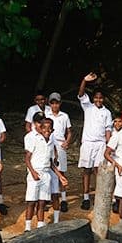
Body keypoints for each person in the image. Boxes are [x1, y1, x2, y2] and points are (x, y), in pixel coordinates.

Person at [76, 72, 113, 211]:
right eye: (96, 98)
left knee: (99, 170)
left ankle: (99, 197)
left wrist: (109, 145)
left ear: (103, 99)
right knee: (86, 170)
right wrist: (84, 80)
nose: (98, 100)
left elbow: (108, 130)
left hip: (100, 144)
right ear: (93, 98)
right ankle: (86, 197)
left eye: (100, 98)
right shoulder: (88, 107)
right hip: (87, 143)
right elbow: (80, 94)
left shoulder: (107, 112)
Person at [23, 114, 67, 231]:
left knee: (42, 202)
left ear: (52, 130)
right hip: (35, 173)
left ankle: (40, 224)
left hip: (46, 174)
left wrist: (60, 177)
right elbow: (27, 158)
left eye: (49, 128)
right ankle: (27, 226)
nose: (47, 130)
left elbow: (50, 162)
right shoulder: (35, 139)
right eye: (44, 128)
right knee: (31, 201)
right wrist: (33, 173)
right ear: (40, 129)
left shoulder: (50, 142)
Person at [45, 92, 73, 220]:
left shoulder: (64, 116)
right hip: (49, 143)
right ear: (49, 103)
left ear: (60, 103)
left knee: (61, 171)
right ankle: (47, 197)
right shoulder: (46, 115)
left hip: (60, 144)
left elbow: (69, 132)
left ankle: (63, 199)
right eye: (52, 103)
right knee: (48, 170)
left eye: (57, 103)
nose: (55, 105)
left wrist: (67, 142)